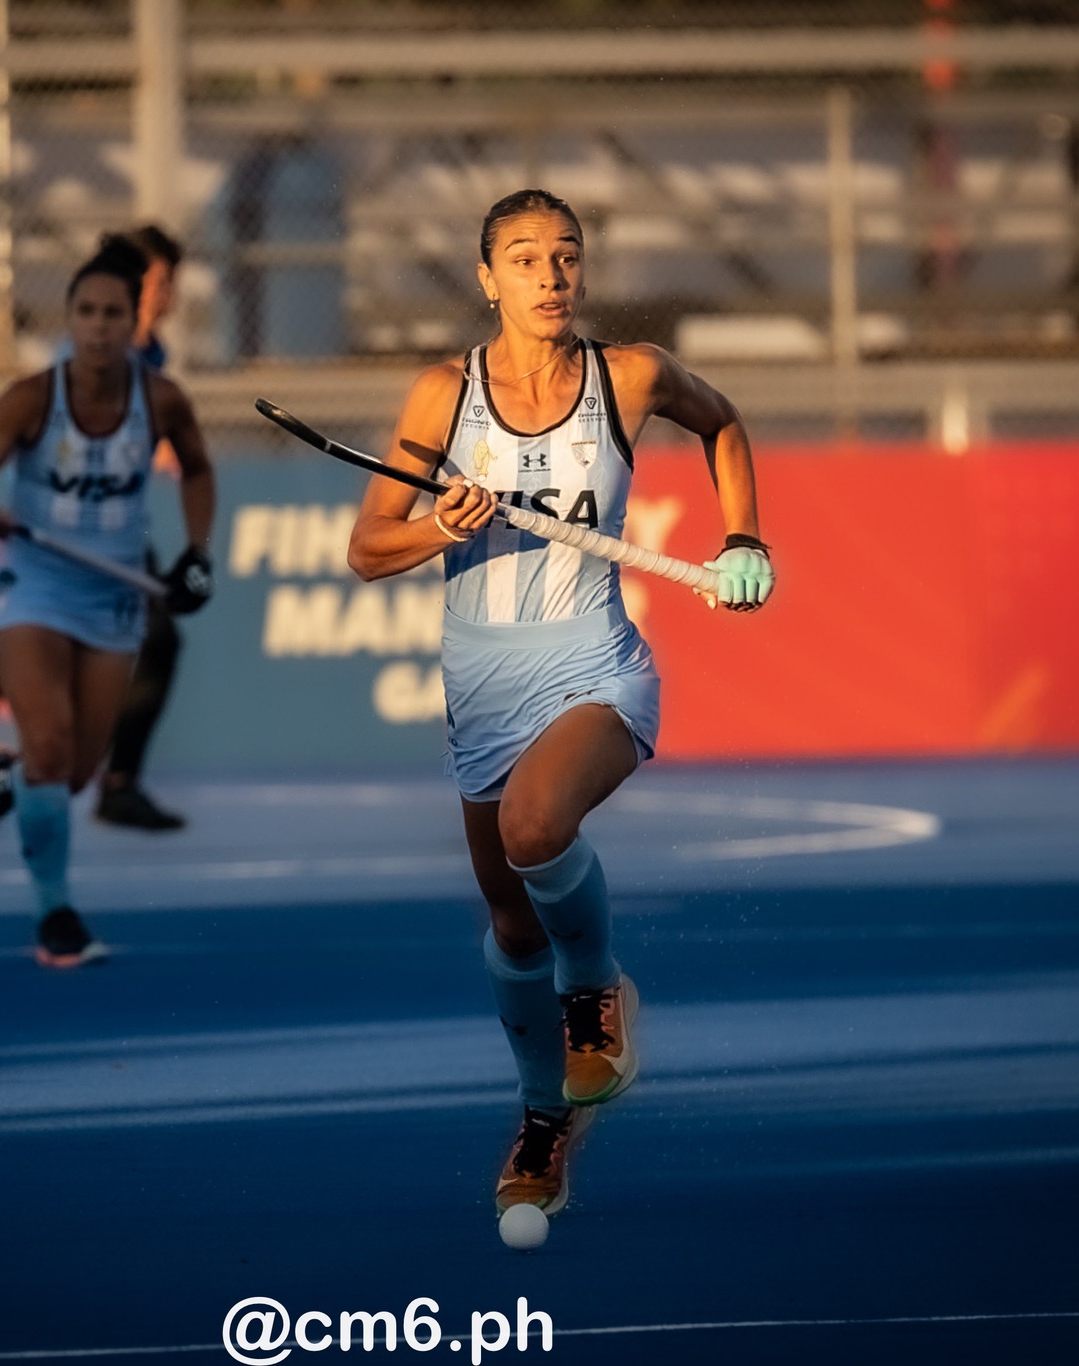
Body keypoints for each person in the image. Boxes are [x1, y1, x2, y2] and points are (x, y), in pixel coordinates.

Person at [345, 191, 774, 1217]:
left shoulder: (627, 377)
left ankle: (597, 994)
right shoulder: (439, 398)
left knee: (538, 826)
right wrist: (441, 527)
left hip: (595, 665)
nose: (549, 275)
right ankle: (544, 1120)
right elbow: (368, 549)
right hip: (480, 683)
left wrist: (744, 538)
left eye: (565, 257)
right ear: (486, 278)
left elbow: (720, 424)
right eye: (525, 258)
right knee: (508, 922)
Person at [0, 235, 215, 967]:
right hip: (33, 586)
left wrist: (196, 552)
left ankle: (3, 782)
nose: (97, 326)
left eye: (112, 314)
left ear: (134, 325)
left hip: (113, 593)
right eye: (85, 312)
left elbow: (197, 470)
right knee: (52, 747)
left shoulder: (160, 400)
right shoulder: (31, 398)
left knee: (77, 772)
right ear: (69, 319)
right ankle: (54, 912)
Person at [0, 225, 196, 849]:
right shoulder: (88, 352)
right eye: (161, 282)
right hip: (58, 529)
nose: (169, 296)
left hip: (110, 528)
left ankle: (112, 782)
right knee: (14, 661)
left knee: (154, 636)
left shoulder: (149, 353)